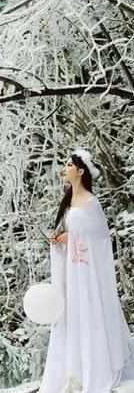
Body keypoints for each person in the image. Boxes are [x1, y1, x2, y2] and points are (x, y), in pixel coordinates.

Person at [38, 148, 134, 393]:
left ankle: (94, 370)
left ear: (80, 171)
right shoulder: (67, 202)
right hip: (71, 274)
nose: (65, 167)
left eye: (69, 164)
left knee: (88, 314)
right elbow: (71, 234)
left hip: (87, 274)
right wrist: (60, 240)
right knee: (71, 317)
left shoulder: (92, 203)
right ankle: (72, 373)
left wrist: (73, 236)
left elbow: (101, 238)